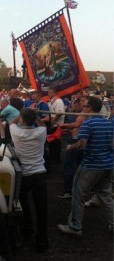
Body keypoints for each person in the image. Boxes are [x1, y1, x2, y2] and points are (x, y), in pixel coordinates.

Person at [58, 96, 113, 236]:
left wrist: (71, 146)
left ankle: (75, 227)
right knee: (105, 195)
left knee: (78, 194)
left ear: (89, 108)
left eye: (84, 106)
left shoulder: (88, 123)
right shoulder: (109, 123)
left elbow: (82, 144)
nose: (82, 108)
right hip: (108, 164)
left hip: (91, 165)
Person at [9, 108, 49, 253]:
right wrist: (36, 115)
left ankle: (28, 230)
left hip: (24, 175)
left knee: (24, 204)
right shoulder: (41, 132)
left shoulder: (16, 132)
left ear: (22, 120)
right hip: (39, 174)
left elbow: (12, 122)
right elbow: (43, 126)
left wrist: (22, 114)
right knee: (41, 210)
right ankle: (42, 241)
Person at [57, 98, 87, 199]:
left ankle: (69, 191)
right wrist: (68, 131)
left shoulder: (84, 114)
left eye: (82, 102)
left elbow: (76, 124)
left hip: (77, 142)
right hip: (80, 141)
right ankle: (80, 190)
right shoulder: (84, 114)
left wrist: (63, 125)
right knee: (80, 167)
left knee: (69, 166)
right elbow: (78, 128)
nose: (79, 104)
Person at [47, 86, 65, 163]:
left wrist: (52, 122)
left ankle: (56, 158)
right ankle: (53, 157)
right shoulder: (53, 101)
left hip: (57, 125)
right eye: (48, 92)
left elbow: (59, 113)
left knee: (56, 142)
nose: (48, 94)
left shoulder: (58, 102)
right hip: (54, 124)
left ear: (55, 93)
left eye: (50, 92)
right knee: (52, 142)